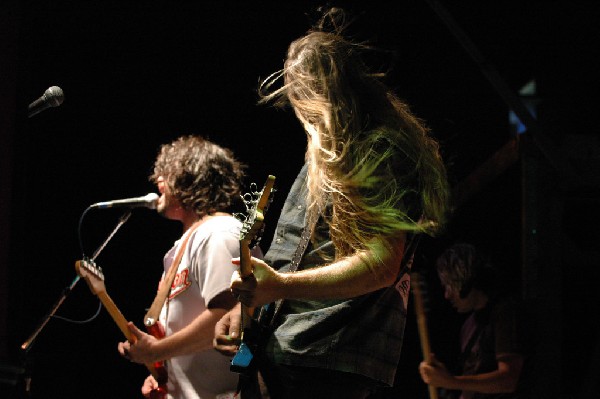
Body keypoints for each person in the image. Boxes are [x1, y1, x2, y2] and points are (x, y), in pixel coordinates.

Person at [213, 8, 450, 399]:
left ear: (315, 93)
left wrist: (280, 286)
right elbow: (298, 253)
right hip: (290, 353)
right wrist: (247, 311)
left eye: (299, 98)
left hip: (321, 360)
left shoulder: (374, 149)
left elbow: (381, 263)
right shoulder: (328, 153)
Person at [117, 135, 258, 399]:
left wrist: (158, 351)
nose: (157, 180)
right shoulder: (188, 243)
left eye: (167, 172)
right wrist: (165, 378)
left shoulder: (219, 233)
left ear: (190, 177)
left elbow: (227, 316)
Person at [418, 243, 529, 399]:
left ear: (465, 282)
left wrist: (451, 381)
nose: (447, 295)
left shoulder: (505, 313)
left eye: (449, 286)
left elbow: (509, 380)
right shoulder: (469, 325)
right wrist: (443, 380)